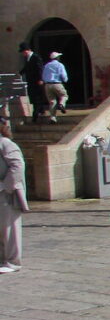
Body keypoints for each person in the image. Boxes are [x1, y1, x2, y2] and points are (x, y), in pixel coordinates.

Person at [0, 119, 28, 273]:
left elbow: (17, 165)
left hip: (6, 193)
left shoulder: (5, 143)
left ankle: (12, 262)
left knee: (9, 228)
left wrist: (7, 187)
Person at [17, 43, 47, 124]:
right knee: (34, 97)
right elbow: (26, 68)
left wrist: (41, 79)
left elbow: (40, 68)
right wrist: (20, 73)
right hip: (31, 81)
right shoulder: (28, 59)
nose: (23, 54)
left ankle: (35, 115)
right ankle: (41, 110)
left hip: (36, 81)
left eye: (23, 52)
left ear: (27, 50)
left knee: (37, 97)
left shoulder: (36, 57)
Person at [41, 52, 69, 123]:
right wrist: (65, 80)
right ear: (57, 58)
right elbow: (63, 75)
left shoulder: (46, 65)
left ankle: (53, 117)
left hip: (47, 85)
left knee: (52, 101)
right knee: (64, 95)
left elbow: (43, 76)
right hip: (57, 83)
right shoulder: (60, 65)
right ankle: (62, 104)